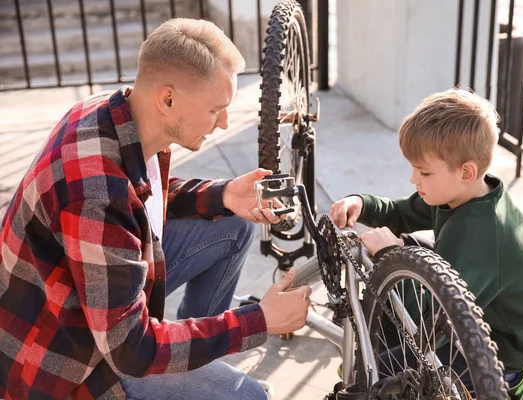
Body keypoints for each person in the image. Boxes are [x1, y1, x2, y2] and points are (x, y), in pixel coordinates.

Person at [0, 18, 311, 400]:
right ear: (168, 100)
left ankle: (195, 362)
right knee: (245, 396)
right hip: (65, 361)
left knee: (232, 223)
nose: (225, 122)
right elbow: (132, 350)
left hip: (95, 306)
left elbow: (139, 197)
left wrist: (225, 194)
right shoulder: (95, 192)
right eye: (216, 109)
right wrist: (256, 322)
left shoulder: (118, 113)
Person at [330, 89, 523, 399]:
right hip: (467, 311)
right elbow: (400, 213)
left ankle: (517, 380)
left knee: (372, 379)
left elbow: (429, 320)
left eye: (423, 172)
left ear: (466, 171)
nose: (413, 179)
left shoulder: (482, 233)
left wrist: (389, 253)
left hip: (506, 354)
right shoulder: (457, 194)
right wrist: (362, 204)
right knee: (405, 251)